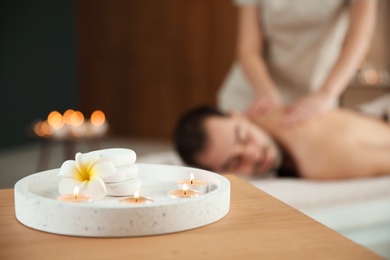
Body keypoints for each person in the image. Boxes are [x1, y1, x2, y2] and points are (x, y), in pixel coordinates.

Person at [218, 0, 377, 127]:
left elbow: (360, 38)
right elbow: (248, 49)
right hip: (255, 93)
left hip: (315, 96)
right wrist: (266, 92)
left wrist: (325, 95)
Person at [173, 105, 390, 180]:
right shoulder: (267, 118)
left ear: (238, 115)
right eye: (234, 163)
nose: (253, 154)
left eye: (243, 136)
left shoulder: (317, 157)